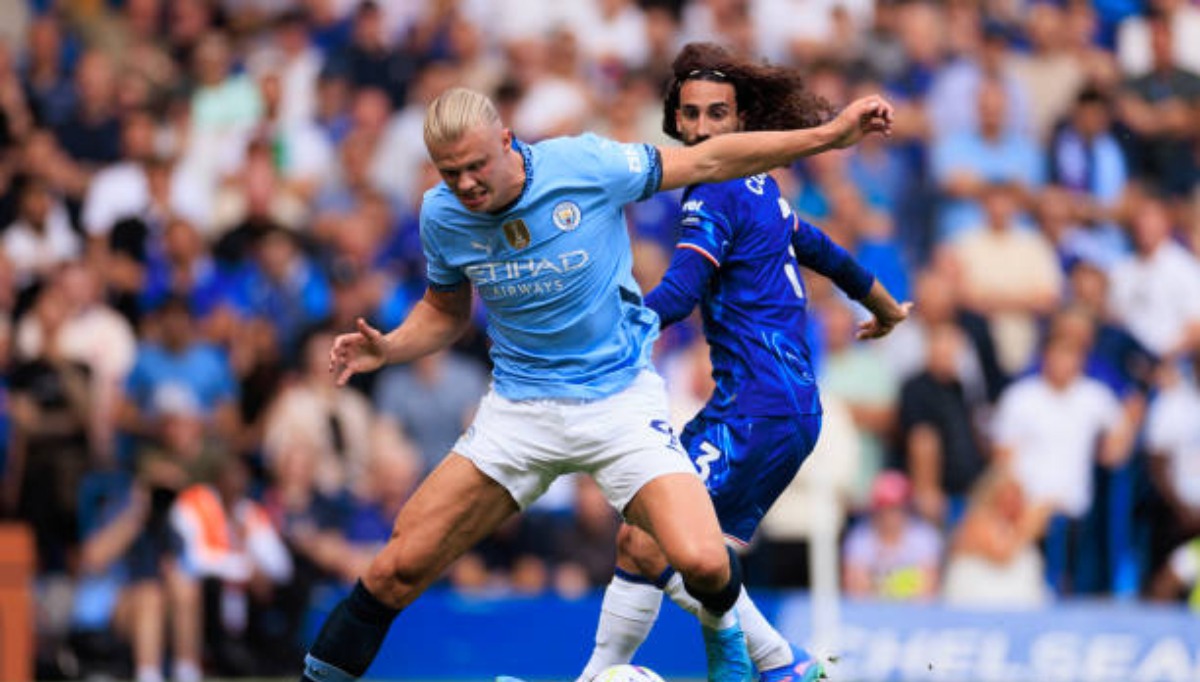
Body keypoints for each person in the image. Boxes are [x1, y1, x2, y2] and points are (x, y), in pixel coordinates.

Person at [304, 84, 894, 682]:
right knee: (393, 571)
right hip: (519, 412)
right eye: (450, 172)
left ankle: (754, 656)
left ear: (506, 141)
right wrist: (391, 346)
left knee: (702, 561)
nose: (466, 184)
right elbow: (445, 311)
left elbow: (710, 160)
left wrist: (830, 136)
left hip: (619, 404)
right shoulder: (442, 214)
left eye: (476, 165)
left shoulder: (584, 165)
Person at [577, 43, 910, 682]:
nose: (703, 128)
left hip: (754, 410)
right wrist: (887, 307)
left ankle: (781, 663)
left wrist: (605, 338)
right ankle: (610, 676)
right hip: (780, 408)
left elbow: (682, 291)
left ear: (741, 122)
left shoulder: (713, 191)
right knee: (644, 541)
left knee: (664, 543)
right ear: (675, 122)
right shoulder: (764, 189)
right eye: (691, 115)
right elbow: (825, 251)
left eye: (717, 115)